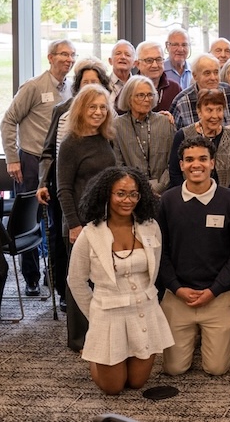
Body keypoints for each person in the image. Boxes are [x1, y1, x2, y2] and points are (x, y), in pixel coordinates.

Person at [67, 167, 173, 395]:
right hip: (109, 314)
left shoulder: (150, 227)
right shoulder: (90, 234)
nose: (128, 200)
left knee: (136, 383)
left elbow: (154, 271)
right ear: (106, 194)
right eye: (121, 194)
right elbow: (76, 280)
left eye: (134, 194)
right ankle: (96, 352)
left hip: (144, 311)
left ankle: (116, 355)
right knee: (113, 388)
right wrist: (95, 314)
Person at [158, 136, 230, 376]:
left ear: (213, 163)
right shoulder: (167, 201)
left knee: (216, 368)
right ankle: (191, 339)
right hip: (178, 297)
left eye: (202, 159)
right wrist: (176, 288)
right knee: (174, 369)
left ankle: (204, 337)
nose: (196, 165)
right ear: (181, 165)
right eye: (189, 160)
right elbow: (160, 253)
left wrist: (215, 289)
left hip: (217, 296)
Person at [0, 38, 74, 297]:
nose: (68, 59)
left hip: (56, 162)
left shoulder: (71, 89)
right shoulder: (33, 86)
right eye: (63, 54)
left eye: (72, 55)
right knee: (29, 220)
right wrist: (12, 158)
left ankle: (51, 274)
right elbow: (8, 121)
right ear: (50, 57)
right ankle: (30, 276)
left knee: (55, 219)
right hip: (30, 161)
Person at [58, 84, 117, 351]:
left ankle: (102, 332)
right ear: (81, 109)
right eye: (92, 107)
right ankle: (80, 339)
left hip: (104, 220)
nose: (98, 112)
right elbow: (64, 188)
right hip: (79, 223)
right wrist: (74, 224)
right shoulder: (71, 143)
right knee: (78, 282)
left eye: (103, 107)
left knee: (102, 279)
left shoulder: (105, 137)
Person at [168, 89, 230, 193]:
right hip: (190, 198)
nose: (215, 116)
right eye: (209, 110)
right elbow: (174, 172)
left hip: (225, 200)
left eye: (219, 110)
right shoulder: (183, 135)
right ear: (199, 112)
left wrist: (227, 196)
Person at [112, 76, 176, 196]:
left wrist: (159, 186)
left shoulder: (165, 122)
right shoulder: (117, 126)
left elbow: (173, 161)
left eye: (150, 95)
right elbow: (118, 165)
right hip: (131, 193)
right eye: (141, 95)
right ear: (129, 98)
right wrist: (137, 188)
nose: (147, 99)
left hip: (164, 192)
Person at [170, 54, 230, 131]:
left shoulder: (229, 92)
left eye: (216, 72)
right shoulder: (181, 102)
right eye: (207, 73)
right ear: (195, 76)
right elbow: (175, 138)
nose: (213, 78)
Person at [133, 41, 181, 113]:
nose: (155, 65)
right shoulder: (129, 88)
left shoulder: (174, 88)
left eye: (159, 60)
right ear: (137, 64)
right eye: (149, 60)